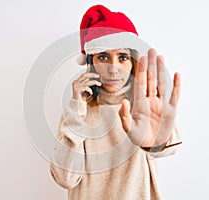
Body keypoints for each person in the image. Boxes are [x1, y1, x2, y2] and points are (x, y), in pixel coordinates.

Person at [50, 4, 182, 200]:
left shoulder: (143, 104)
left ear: (133, 62)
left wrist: (157, 140)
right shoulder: (78, 110)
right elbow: (65, 179)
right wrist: (77, 112)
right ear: (90, 62)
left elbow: (166, 147)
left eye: (123, 57)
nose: (113, 68)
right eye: (103, 57)